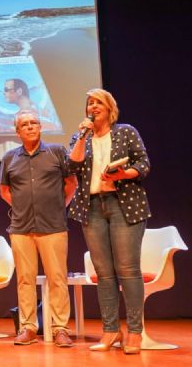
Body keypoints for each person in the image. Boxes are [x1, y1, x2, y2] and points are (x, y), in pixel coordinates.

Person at [68, 88, 151, 354]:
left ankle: (135, 332)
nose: (93, 107)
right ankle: (111, 330)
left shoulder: (126, 131)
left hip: (122, 205)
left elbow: (144, 164)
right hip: (91, 207)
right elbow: (73, 166)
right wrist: (82, 136)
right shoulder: (81, 137)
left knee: (128, 270)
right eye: (89, 103)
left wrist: (122, 175)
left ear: (109, 107)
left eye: (97, 103)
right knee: (104, 274)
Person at [0, 111, 77, 347]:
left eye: (34, 123)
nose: (30, 127)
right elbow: (5, 191)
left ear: (41, 127)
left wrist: (57, 207)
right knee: (25, 280)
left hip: (53, 226)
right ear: (18, 131)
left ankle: (60, 328)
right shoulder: (9, 157)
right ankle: (28, 327)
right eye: (25, 124)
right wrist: (24, 207)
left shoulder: (56, 152)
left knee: (57, 278)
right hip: (21, 228)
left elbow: (71, 184)